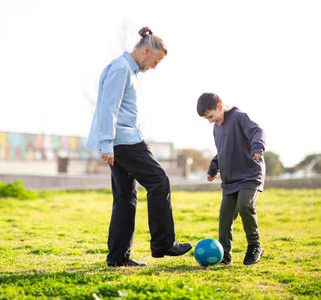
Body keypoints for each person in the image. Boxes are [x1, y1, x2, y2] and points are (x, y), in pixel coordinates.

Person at [86, 26, 192, 267]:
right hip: (124, 141)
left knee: (125, 198)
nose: (155, 66)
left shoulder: (128, 70)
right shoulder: (120, 68)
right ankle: (164, 243)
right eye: (155, 60)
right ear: (145, 51)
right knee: (159, 181)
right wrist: (106, 143)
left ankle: (118, 258)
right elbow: (108, 107)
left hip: (120, 140)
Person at [196, 92, 266, 266]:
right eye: (207, 119)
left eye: (211, 116)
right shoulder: (216, 128)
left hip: (249, 174)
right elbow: (223, 150)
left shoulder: (239, 117)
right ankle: (224, 255)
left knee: (245, 205)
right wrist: (214, 167)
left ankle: (255, 246)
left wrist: (257, 147)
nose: (211, 121)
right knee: (225, 217)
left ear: (220, 107)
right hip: (230, 180)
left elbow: (258, 131)